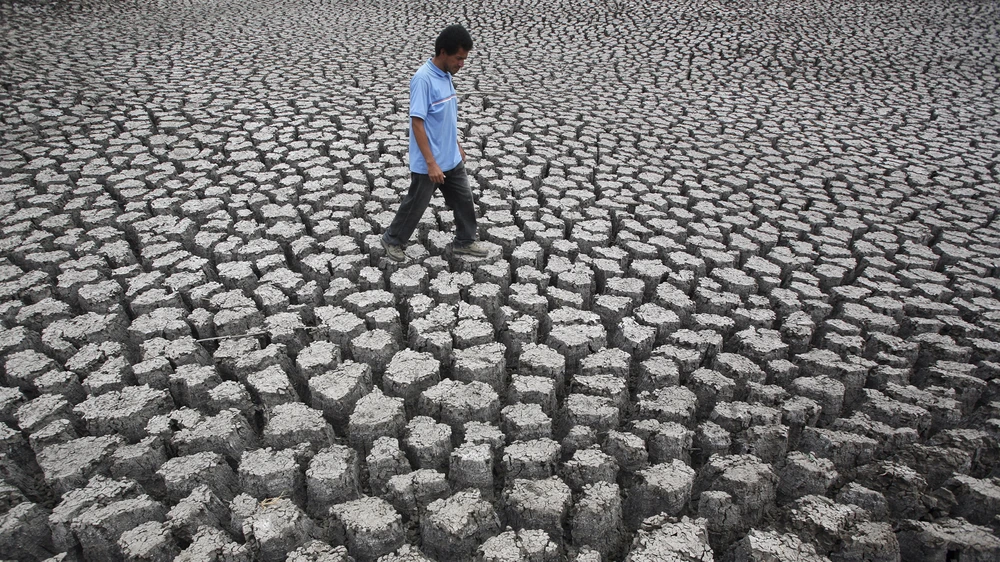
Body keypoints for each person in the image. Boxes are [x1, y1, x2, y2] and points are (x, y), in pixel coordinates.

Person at [381, 24, 488, 262]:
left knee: (464, 200)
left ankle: (465, 242)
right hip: (429, 161)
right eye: (458, 58)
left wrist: (456, 144)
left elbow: (444, 117)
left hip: (450, 157)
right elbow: (417, 124)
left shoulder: (446, 76)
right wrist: (431, 163)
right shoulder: (423, 79)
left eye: (464, 59)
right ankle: (392, 240)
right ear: (443, 52)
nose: (462, 64)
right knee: (416, 205)